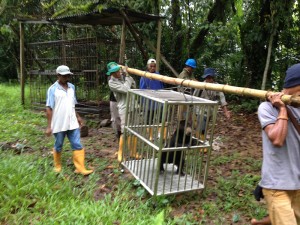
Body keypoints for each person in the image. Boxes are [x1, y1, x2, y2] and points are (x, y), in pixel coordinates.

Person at [256, 63, 300, 225]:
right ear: (291, 88)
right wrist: (282, 109)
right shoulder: (267, 108)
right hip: (277, 186)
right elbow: (277, 139)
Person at [45, 65, 93, 175]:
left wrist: (78, 117)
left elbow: (72, 105)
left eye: (68, 75)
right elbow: (48, 108)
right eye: (64, 75)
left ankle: (80, 168)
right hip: (59, 123)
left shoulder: (72, 87)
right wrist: (49, 126)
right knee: (59, 144)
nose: (66, 77)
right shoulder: (53, 89)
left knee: (77, 144)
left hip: (72, 122)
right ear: (58, 76)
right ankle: (57, 166)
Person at [107, 62, 136, 161]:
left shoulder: (124, 78)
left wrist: (128, 77)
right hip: (124, 107)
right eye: (115, 71)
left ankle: (133, 152)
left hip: (132, 105)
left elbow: (133, 86)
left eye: (118, 70)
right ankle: (121, 152)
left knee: (133, 129)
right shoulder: (112, 82)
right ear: (112, 73)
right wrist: (127, 77)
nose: (118, 72)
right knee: (124, 130)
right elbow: (126, 89)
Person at [140, 58, 165, 140]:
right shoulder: (144, 76)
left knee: (161, 119)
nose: (152, 68)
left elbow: (162, 87)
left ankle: (160, 135)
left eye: (154, 66)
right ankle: (150, 136)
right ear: (148, 66)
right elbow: (142, 89)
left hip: (159, 101)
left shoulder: (158, 74)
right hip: (148, 102)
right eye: (151, 66)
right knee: (148, 120)